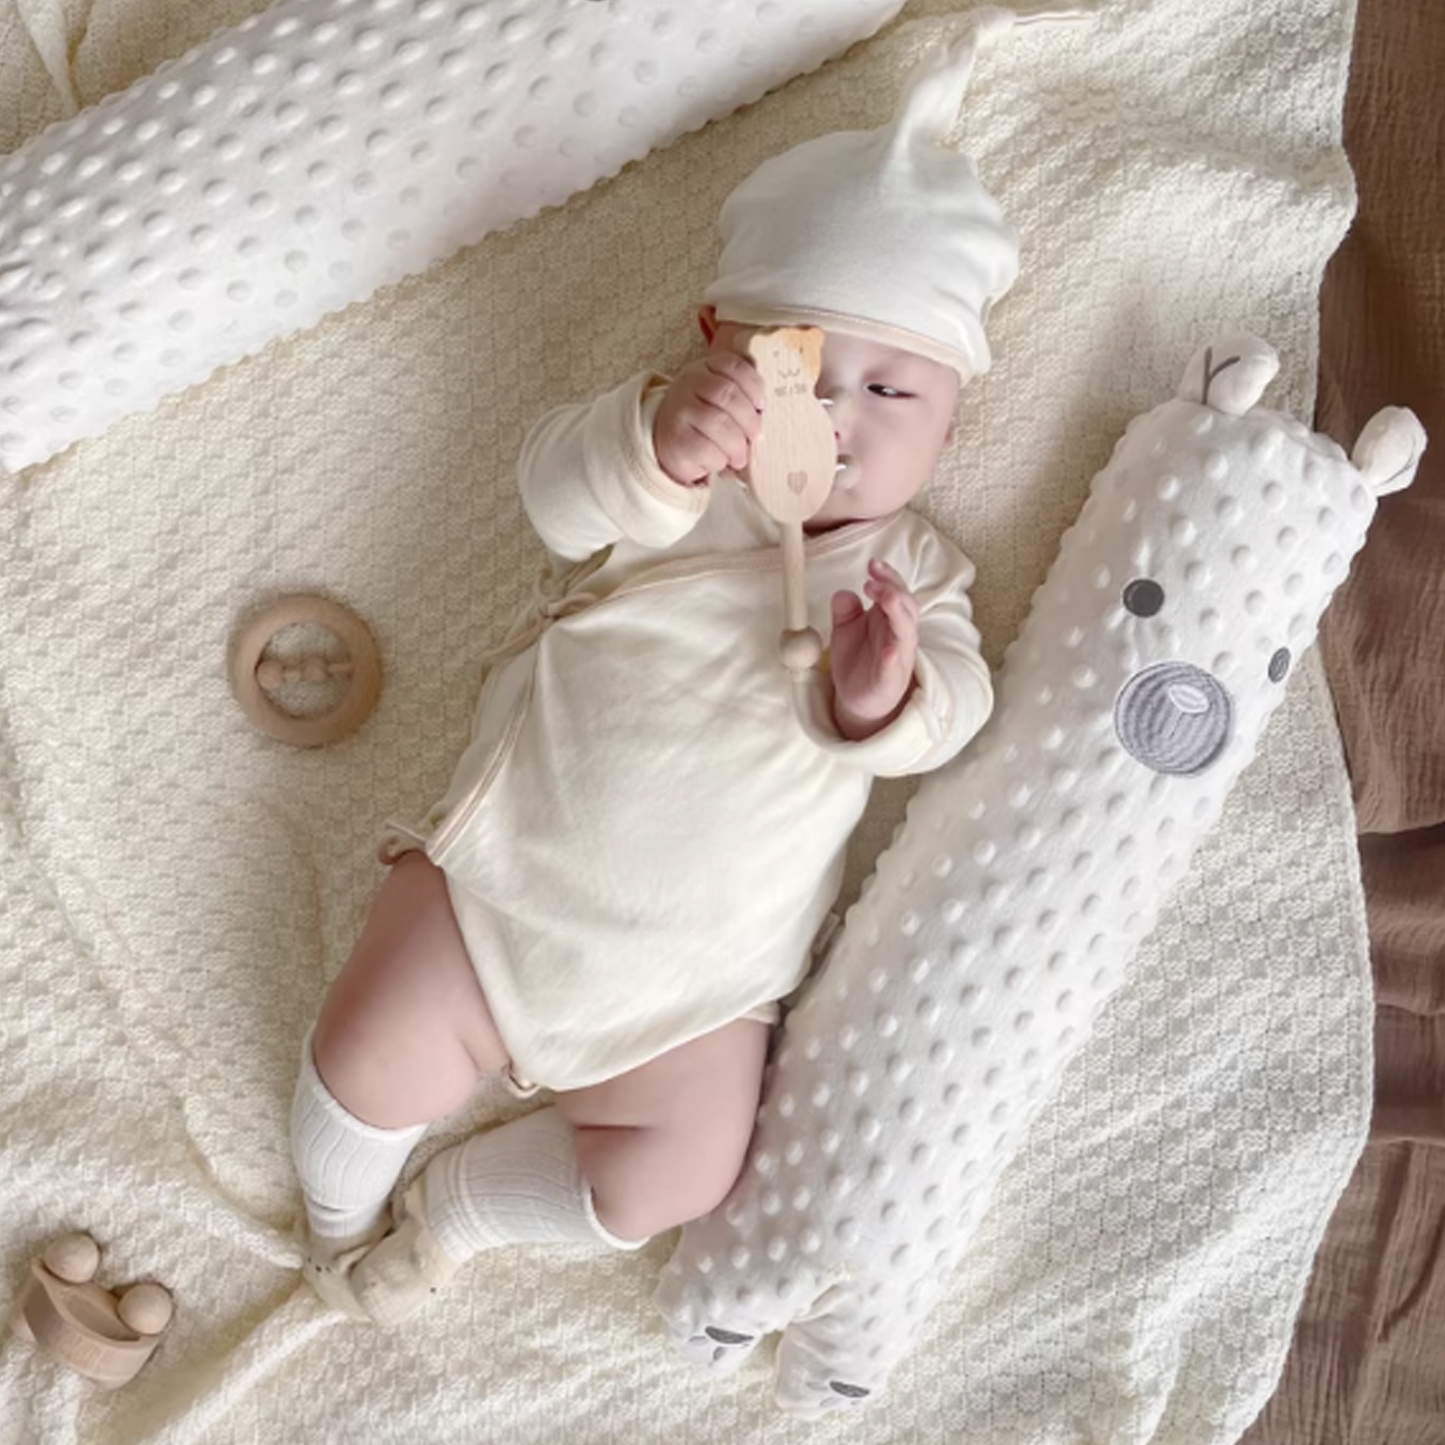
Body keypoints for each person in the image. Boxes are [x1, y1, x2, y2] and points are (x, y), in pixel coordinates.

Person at [290, 26, 1016, 1327]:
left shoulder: (914, 578)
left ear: (953, 415)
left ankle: (456, 1216)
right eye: (798, 364)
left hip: (697, 986)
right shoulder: (677, 484)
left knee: (677, 1172)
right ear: (715, 341)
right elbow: (557, 501)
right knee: (364, 1048)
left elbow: (952, 719)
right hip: (513, 882)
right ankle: (333, 1219)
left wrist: (877, 692)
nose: (838, 416)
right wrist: (664, 441)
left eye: (891, 388)